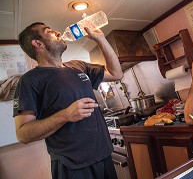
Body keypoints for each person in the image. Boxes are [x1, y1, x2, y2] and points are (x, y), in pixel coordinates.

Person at [13, 22, 124, 179]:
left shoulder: (78, 66)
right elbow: (23, 134)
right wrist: (66, 115)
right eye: (49, 31)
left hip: (104, 156)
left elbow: (116, 73)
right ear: (38, 43)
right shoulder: (29, 81)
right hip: (73, 167)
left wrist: (101, 39)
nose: (57, 32)